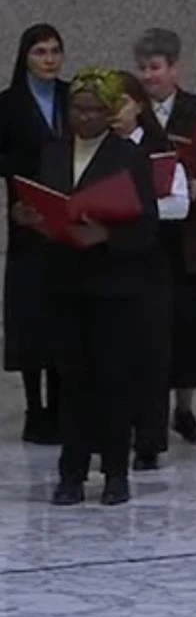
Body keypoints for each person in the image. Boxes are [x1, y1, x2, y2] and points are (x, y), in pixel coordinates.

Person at [14, 69, 159, 506]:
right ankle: (71, 474)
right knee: (72, 380)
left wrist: (108, 235)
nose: (85, 117)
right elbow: (42, 200)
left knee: (113, 379)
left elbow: (147, 227)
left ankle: (115, 472)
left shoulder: (128, 157)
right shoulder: (54, 152)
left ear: (109, 112)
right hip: (64, 281)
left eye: (94, 110)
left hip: (112, 285)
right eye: (78, 109)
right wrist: (27, 217)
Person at [135, 27, 196, 445]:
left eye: (155, 67)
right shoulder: (132, 112)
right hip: (149, 237)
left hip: (192, 236)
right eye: (142, 68)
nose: (148, 76)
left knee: (191, 327)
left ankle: (184, 410)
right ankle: (147, 410)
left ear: (174, 68)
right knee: (150, 329)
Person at [111, 70, 190, 470]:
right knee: (113, 354)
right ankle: (112, 435)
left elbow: (179, 204)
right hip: (109, 262)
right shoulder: (100, 150)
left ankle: (148, 441)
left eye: (121, 103)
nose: (114, 112)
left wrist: (132, 208)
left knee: (151, 354)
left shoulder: (159, 149)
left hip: (152, 262)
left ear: (139, 105)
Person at [0, 24, 69, 443]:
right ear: (25, 57)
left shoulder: (71, 97)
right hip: (27, 221)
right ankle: (34, 408)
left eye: (55, 51)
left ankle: (60, 406)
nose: (49, 59)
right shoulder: (8, 104)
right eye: (40, 52)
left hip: (65, 220)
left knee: (62, 314)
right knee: (29, 316)